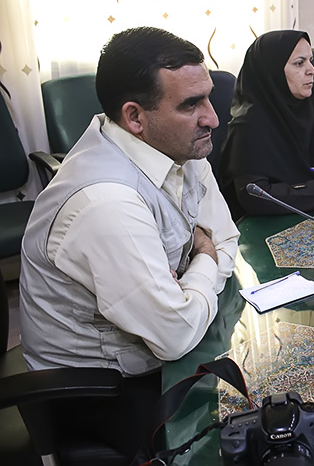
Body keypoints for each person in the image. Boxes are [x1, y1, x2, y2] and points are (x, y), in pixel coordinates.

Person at [19, 27, 239, 456]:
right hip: (101, 389)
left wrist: (191, 284)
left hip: (155, 356)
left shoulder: (179, 146)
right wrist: (205, 259)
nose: (213, 118)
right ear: (135, 117)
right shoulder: (106, 201)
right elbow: (175, 335)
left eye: (208, 98)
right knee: (235, 439)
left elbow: (226, 236)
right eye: (191, 104)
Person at [219, 30, 314, 218]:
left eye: (311, 60)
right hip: (270, 222)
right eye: (300, 63)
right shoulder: (248, 125)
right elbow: (255, 197)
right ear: (272, 71)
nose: (312, 70)